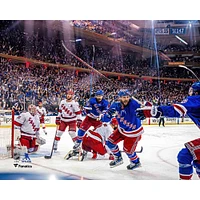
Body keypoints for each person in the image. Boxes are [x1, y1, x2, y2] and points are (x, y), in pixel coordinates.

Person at [136, 81, 200, 180]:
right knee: (197, 159)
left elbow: (177, 110)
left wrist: (155, 111)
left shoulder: (196, 99)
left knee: (185, 155)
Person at [100, 89, 144, 170]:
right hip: (121, 130)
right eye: (124, 97)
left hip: (133, 133)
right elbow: (104, 119)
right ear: (120, 98)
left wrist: (146, 111)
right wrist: (108, 115)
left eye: (127, 97)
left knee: (128, 151)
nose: (126, 99)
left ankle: (136, 162)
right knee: (110, 143)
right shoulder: (115, 105)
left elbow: (145, 110)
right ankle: (118, 158)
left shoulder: (134, 104)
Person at [68, 90, 109, 156]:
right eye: (98, 96)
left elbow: (105, 111)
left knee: (99, 135)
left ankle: (101, 148)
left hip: (98, 120)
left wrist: (101, 116)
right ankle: (78, 143)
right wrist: (89, 113)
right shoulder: (91, 100)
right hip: (89, 119)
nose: (99, 97)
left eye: (100, 96)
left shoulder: (105, 102)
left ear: (102, 96)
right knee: (81, 130)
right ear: (96, 96)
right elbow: (87, 109)